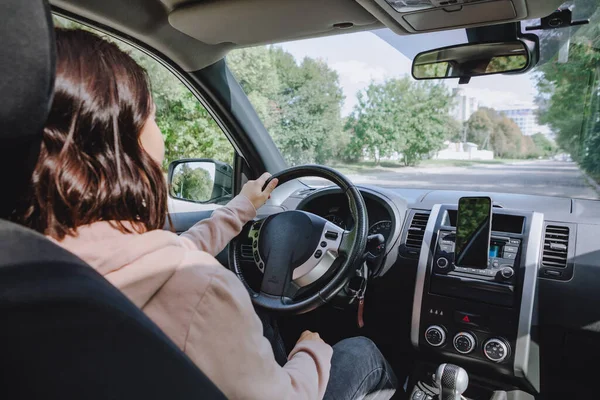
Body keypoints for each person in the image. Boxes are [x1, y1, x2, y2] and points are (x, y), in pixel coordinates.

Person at [13, 28, 397, 400]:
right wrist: (312, 352)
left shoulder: (30, 261)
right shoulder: (199, 292)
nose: (161, 136)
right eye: (154, 118)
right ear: (125, 145)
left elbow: (168, 257)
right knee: (362, 352)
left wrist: (241, 209)